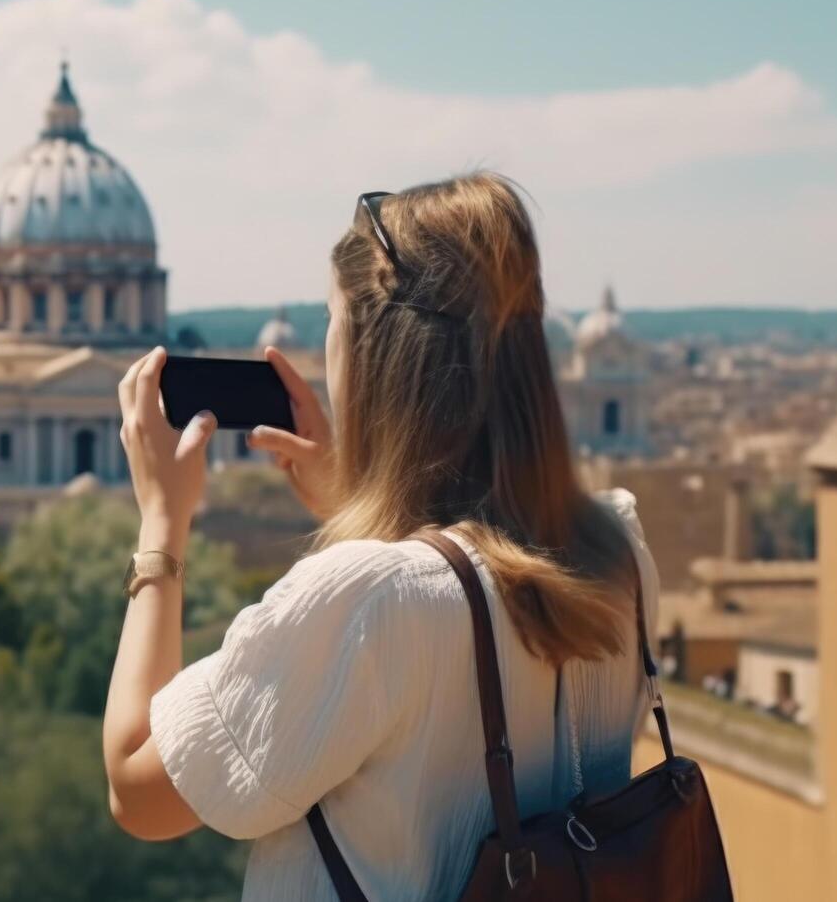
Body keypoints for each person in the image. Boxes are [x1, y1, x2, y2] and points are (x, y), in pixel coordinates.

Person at [102, 173, 661, 901]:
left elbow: (136, 791)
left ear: (372, 356)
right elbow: (470, 592)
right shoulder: (616, 546)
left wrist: (160, 528)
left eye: (332, 325)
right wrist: (357, 504)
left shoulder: (365, 598)